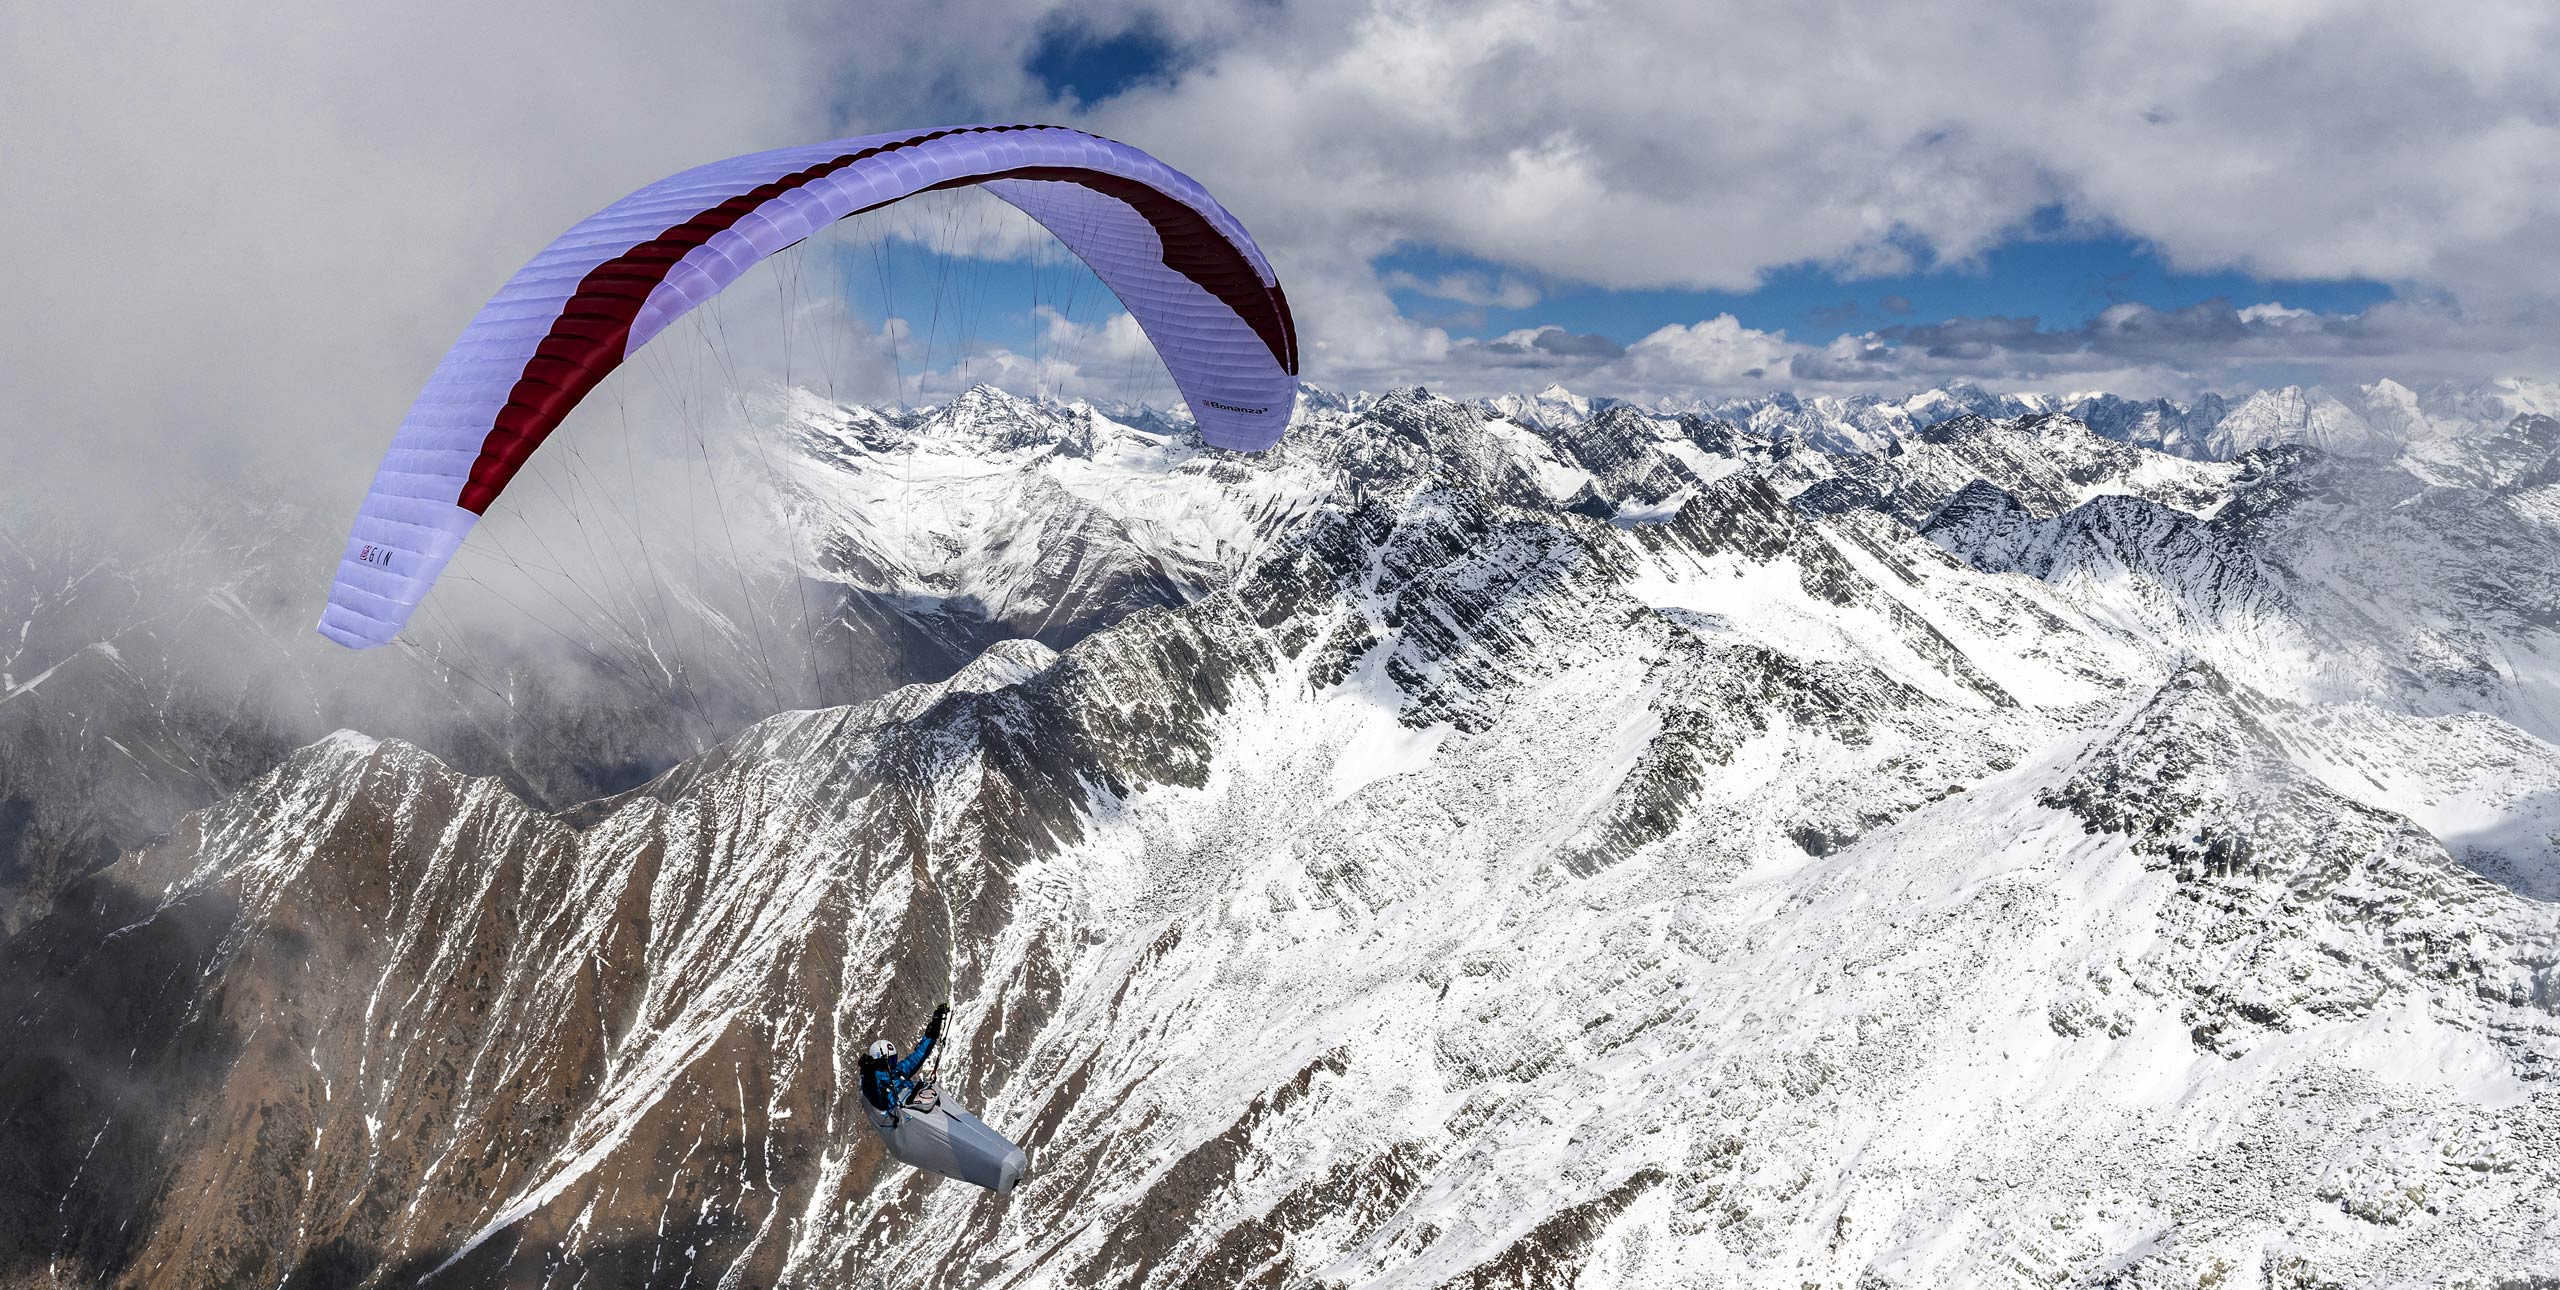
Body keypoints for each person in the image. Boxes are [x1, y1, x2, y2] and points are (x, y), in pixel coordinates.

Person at [859, 1002, 949, 1123]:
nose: (892, 1064)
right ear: (878, 1063)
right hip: (905, 1118)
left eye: (893, 1060)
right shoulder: (876, 1082)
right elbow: (875, 1097)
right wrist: (868, 1074)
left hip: (918, 1104)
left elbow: (918, 1055)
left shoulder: (898, 1070)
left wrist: (934, 1027)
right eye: (888, 1061)